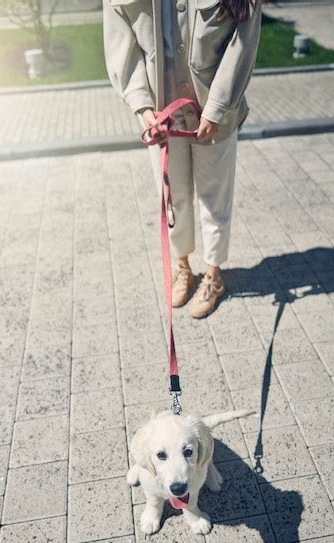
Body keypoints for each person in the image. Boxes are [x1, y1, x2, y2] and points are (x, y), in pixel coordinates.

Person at [103, 0, 262, 318]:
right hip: (161, 114)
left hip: (218, 111)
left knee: (213, 195)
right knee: (172, 196)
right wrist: (142, 104)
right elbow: (119, 37)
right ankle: (182, 267)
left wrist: (218, 107)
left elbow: (245, 39)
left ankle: (214, 275)